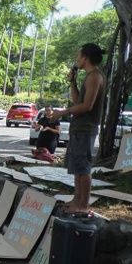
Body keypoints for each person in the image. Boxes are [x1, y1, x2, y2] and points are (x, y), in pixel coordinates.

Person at [52, 43, 107, 214]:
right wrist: (73, 83)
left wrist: (63, 112)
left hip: (86, 128)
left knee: (83, 168)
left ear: (85, 57)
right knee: (77, 168)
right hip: (79, 128)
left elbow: (87, 106)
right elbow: (78, 102)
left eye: (78, 56)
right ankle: (76, 200)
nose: (77, 59)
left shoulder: (95, 76)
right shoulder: (88, 76)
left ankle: (83, 206)